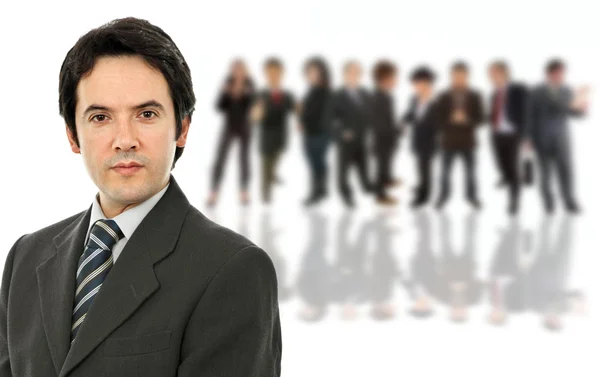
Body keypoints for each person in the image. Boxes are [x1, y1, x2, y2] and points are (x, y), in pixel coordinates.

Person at [0, 17, 281, 377]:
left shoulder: (232, 269)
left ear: (181, 128)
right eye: (100, 117)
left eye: (146, 114)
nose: (125, 139)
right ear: (73, 135)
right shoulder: (26, 258)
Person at [525, 58, 588, 214]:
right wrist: (527, 138)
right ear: (549, 73)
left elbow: (575, 113)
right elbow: (529, 116)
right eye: (557, 73)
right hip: (542, 138)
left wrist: (582, 109)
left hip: (562, 138)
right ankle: (548, 203)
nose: (560, 76)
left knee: (566, 170)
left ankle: (569, 201)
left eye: (562, 73)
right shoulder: (535, 91)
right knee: (545, 172)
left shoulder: (568, 90)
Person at [435, 61, 485, 210]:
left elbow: (482, 119)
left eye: (462, 76)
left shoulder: (475, 95)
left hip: (468, 142)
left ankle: (472, 197)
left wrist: (467, 120)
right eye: (455, 76)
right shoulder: (443, 95)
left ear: (467, 76)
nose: (458, 78)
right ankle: (443, 197)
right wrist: (450, 119)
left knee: (471, 173)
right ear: (451, 76)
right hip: (448, 142)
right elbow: (437, 119)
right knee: (444, 172)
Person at [207, 58, 256, 207]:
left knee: (244, 159)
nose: (238, 73)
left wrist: (247, 95)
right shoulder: (228, 83)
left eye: (241, 70)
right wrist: (225, 93)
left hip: (244, 126)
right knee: (220, 158)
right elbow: (219, 107)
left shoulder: (250, 84)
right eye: (236, 70)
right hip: (229, 125)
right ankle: (214, 193)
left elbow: (254, 107)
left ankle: (244, 192)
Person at [251, 57, 296, 204]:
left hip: (281, 136)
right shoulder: (261, 95)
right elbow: (254, 116)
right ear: (266, 74)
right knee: (266, 167)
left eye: (277, 73)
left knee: (274, 163)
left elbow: (296, 109)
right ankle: (266, 199)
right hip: (267, 136)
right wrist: (257, 114)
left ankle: (272, 177)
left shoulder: (287, 95)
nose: (274, 76)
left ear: (282, 74)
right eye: (270, 73)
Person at [487, 61, 529, 215]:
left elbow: (527, 112)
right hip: (496, 133)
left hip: (514, 134)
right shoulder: (494, 93)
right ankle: (506, 177)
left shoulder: (518, 89)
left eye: (494, 72)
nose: (491, 76)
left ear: (505, 72)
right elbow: (493, 113)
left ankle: (514, 200)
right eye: (490, 74)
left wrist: (527, 136)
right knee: (500, 162)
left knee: (513, 166)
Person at [331, 60, 374, 208]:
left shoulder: (365, 93)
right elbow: (331, 119)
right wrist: (342, 132)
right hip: (346, 141)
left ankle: (367, 187)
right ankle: (346, 194)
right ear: (344, 74)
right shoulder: (336, 95)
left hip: (362, 139)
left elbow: (371, 115)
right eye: (351, 72)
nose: (354, 75)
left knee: (364, 168)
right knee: (343, 173)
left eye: (357, 73)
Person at [401, 66, 439, 208]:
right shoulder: (413, 99)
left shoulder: (436, 102)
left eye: (421, 83)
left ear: (429, 84)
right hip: (416, 140)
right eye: (415, 84)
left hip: (429, 142)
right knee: (419, 167)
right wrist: (403, 121)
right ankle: (421, 185)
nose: (417, 87)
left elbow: (438, 125)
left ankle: (424, 196)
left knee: (425, 169)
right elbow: (410, 114)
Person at [299, 57, 334, 206]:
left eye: (315, 72)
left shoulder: (326, 91)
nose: (312, 75)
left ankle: (316, 192)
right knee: (314, 163)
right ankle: (322, 190)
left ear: (322, 72)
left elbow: (324, 115)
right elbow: (307, 111)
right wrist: (302, 120)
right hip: (308, 132)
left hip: (320, 133)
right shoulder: (311, 90)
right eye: (309, 72)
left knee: (317, 163)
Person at [371, 60, 402, 205]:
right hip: (381, 140)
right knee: (381, 167)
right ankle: (380, 195)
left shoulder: (387, 95)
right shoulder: (377, 97)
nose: (395, 80)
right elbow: (379, 124)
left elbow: (390, 118)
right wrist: (395, 132)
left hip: (389, 140)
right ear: (384, 79)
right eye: (393, 77)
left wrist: (396, 130)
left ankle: (388, 180)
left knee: (388, 163)